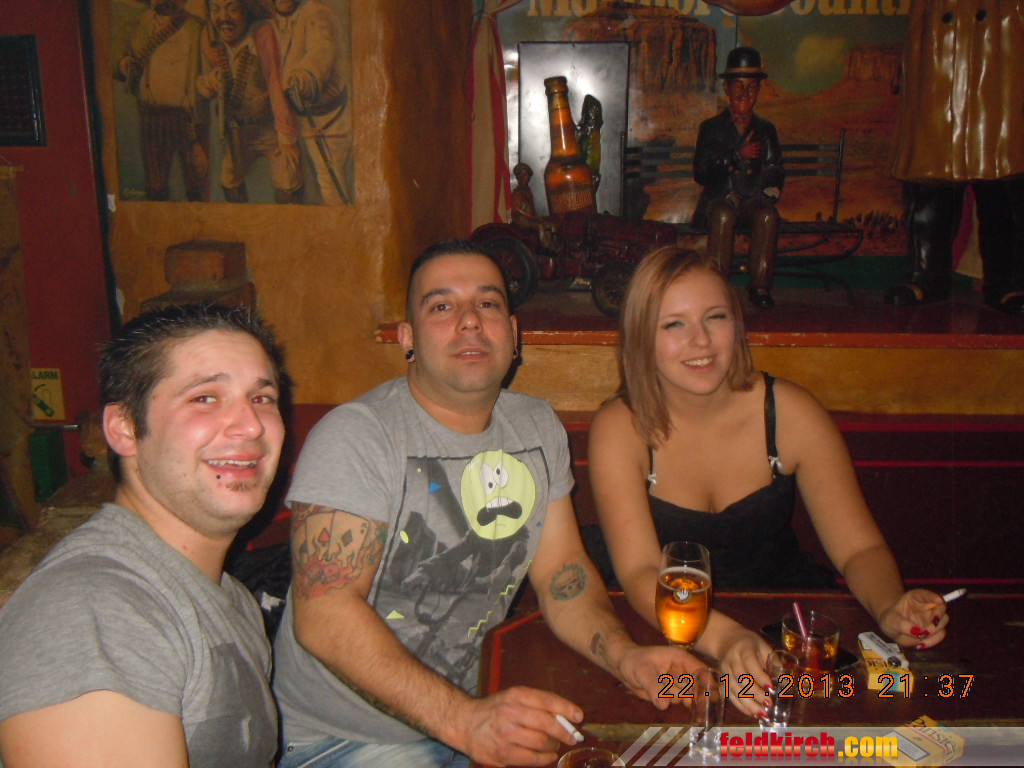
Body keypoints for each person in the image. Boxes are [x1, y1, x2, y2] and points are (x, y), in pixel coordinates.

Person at [272, 240, 705, 768]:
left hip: (475, 711)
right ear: (408, 339)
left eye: (488, 303)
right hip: (343, 739)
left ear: (514, 335)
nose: (470, 321)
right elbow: (324, 615)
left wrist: (624, 656)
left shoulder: (535, 426)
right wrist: (466, 723)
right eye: (441, 306)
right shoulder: (358, 435)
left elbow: (562, 574)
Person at [588, 247, 950, 700]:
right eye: (673, 324)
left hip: (786, 622)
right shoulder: (620, 428)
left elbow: (859, 548)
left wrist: (891, 605)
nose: (700, 340)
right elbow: (641, 571)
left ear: (737, 324)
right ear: (641, 337)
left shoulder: (791, 413)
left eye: (715, 317)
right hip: (668, 630)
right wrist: (726, 639)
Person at [0, 303, 288, 766]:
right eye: (205, 398)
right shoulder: (96, 611)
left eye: (262, 398)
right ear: (125, 429)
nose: (252, 424)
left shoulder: (227, 596)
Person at [884, 2, 1024, 314]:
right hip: (938, 56)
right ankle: (926, 274)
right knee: (931, 171)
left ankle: (1008, 280)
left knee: (1002, 173)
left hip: (1002, 49)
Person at [693, 46, 783, 309]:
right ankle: (718, 287)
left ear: (759, 91)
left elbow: (774, 167)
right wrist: (735, 156)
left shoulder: (765, 130)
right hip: (719, 199)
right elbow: (701, 172)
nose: (744, 94)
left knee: (767, 216)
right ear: (727, 89)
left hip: (751, 199)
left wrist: (770, 190)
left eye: (751, 88)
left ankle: (760, 286)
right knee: (723, 216)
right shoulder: (711, 128)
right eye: (738, 87)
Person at [198, 0, 304, 203]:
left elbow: (275, 82)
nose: (223, 17)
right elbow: (202, 83)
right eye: (216, 9)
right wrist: (210, 81)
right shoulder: (209, 37)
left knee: (289, 179)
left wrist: (287, 137)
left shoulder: (262, 32)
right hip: (236, 130)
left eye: (232, 9)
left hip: (269, 126)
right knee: (229, 178)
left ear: (246, 10)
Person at [117, 0, 210, 201]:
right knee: (156, 185)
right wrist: (124, 65)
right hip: (152, 115)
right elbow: (117, 60)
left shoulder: (196, 27)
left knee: (196, 185)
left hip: (188, 119)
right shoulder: (137, 24)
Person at [273, 0, 353, 205]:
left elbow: (321, 53)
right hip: (297, 119)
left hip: (327, 121)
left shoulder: (317, 14)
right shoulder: (275, 22)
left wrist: (304, 77)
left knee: (330, 184)